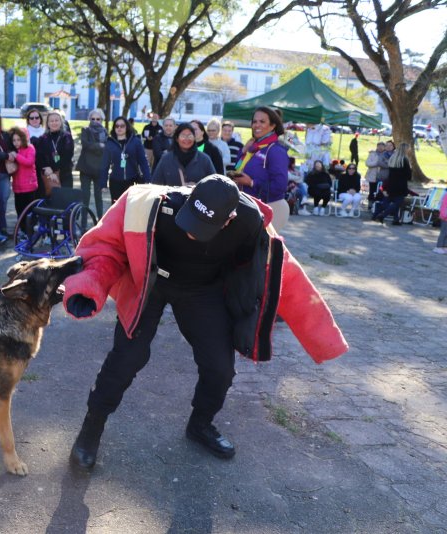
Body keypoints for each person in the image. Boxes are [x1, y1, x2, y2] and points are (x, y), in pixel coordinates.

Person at [61, 176, 348, 471]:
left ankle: (201, 424)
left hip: (201, 289)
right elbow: (105, 245)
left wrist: (324, 338)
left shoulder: (250, 221)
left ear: (230, 219)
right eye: (190, 221)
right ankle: (91, 427)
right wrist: (89, 284)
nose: (191, 234)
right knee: (127, 357)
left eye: (203, 228)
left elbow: (285, 275)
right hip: (150, 279)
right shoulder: (152, 204)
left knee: (220, 368)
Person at [230, 107, 291, 231]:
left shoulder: (275, 150)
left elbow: (280, 186)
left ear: (273, 125)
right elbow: (238, 167)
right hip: (250, 206)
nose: (256, 125)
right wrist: (243, 151)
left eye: (262, 122)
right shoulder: (255, 147)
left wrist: (251, 183)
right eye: (254, 121)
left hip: (270, 207)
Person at [98, 116, 150, 203]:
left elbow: (143, 161)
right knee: (117, 207)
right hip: (115, 181)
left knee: (131, 207)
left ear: (127, 127)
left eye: (122, 126)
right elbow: (105, 164)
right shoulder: (109, 143)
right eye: (117, 126)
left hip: (132, 179)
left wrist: (147, 179)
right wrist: (103, 183)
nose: (119, 128)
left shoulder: (135, 141)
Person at [150, 122, 215, 186]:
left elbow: (215, 185)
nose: (186, 139)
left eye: (189, 135)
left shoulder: (205, 160)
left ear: (194, 138)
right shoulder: (166, 159)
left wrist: (197, 187)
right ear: (177, 139)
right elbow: (155, 185)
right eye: (183, 135)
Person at [75, 108, 107, 221]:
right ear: (89, 119)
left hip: (99, 169)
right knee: (85, 197)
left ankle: (100, 224)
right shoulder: (85, 130)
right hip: (86, 169)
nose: (95, 121)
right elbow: (86, 145)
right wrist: (100, 146)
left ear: (102, 120)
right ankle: (83, 225)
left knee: (99, 197)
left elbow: (106, 149)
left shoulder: (105, 132)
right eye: (92, 119)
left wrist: (96, 146)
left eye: (98, 119)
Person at [372, 143, 411, 226]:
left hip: (391, 183)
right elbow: (408, 175)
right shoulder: (405, 160)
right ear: (405, 150)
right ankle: (383, 215)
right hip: (401, 184)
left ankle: (395, 219)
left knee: (390, 200)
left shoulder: (393, 158)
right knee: (398, 202)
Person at [35, 110, 75, 192]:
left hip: (64, 175)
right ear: (48, 124)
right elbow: (39, 156)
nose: (54, 123)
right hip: (48, 176)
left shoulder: (66, 137)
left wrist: (53, 170)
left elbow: (67, 156)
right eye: (51, 121)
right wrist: (48, 170)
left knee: (64, 201)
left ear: (61, 122)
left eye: (56, 120)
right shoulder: (43, 138)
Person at [9, 126, 37, 218]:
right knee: (19, 209)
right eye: (14, 140)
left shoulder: (30, 148)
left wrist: (17, 156)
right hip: (17, 187)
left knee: (28, 210)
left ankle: (28, 229)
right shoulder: (14, 151)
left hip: (29, 186)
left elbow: (29, 162)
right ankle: (20, 228)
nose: (16, 142)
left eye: (18, 139)